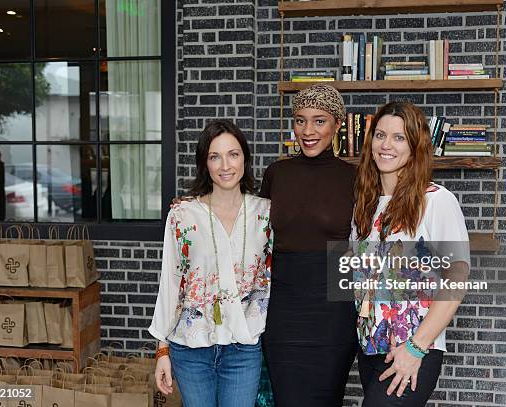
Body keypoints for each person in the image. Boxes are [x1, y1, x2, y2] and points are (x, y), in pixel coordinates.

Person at [351, 101, 470, 406]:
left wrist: (415, 348)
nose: (386, 145)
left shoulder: (437, 201)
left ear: (415, 147)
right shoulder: (365, 205)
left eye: (399, 137)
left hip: (415, 351)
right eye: (380, 135)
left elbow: (456, 279)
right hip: (371, 349)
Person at [149, 119, 273, 407]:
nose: (225, 165)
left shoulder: (266, 214)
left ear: (245, 158)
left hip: (243, 349)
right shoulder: (182, 214)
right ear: (205, 164)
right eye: (214, 156)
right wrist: (162, 350)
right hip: (190, 348)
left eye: (233, 154)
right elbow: (170, 282)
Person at [260, 83, 358, 406]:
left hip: (334, 309)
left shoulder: (355, 177)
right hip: (283, 309)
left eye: (319, 121)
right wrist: (194, 207)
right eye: (300, 120)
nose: (308, 130)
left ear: (337, 124)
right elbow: (249, 226)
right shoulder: (277, 173)